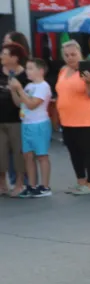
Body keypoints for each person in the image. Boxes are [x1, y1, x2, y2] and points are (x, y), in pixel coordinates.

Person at [56, 40, 90, 195]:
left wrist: (88, 82)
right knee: (74, 152)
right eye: (67, 55)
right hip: (67, 120)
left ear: (80, 54)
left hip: (86, 120)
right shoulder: (63, 70)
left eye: (73, 54)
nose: (70, 58)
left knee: (88, 152)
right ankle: (81, 182)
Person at [8, 58, 53, 197]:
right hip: (26, 123)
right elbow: (19, 103)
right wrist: (14, 91)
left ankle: (45, 186)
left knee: (41, 155)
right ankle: (31, 185)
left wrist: (19, 89)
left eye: (30, 68)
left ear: (41, 71)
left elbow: (32, 104)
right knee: (27, 156)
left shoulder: (43, 86)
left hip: (39, 124)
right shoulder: (29, 86)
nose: (27, 71)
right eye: (27, 68)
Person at [0, 42, 29, 197]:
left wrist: (15, 89)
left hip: (17, 120)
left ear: (15, 57)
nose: (1, 56)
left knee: (18, 153)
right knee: (1, 153)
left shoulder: (25, 75)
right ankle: (2, 184)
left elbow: (25, 99)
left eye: (4, 54)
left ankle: (19, 183)